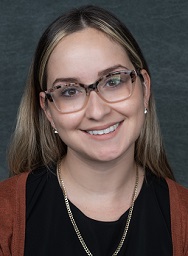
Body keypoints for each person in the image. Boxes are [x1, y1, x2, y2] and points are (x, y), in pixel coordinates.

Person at [0, 5, 187, 256]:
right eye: (69, 91)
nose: (97, 111)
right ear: (48, 111)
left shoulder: (183, 217)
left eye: (113, 81)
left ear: (144, 89)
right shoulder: (5, 217)